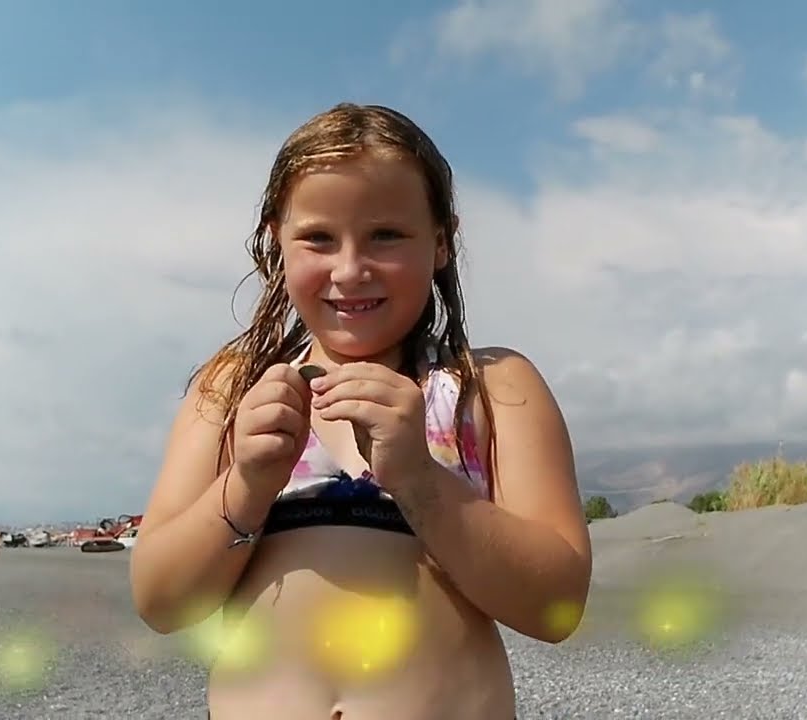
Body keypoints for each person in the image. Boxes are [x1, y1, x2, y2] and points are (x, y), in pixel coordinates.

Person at [129, 102, 592, 720]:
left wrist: (420, 480)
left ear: (441, 243)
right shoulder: (231, 390)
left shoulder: (493, 387)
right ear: (276, 245)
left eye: (387, 235)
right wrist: (245, 487)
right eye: (318, 238)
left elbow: (556, 605)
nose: (350, 270)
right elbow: (161, 601)